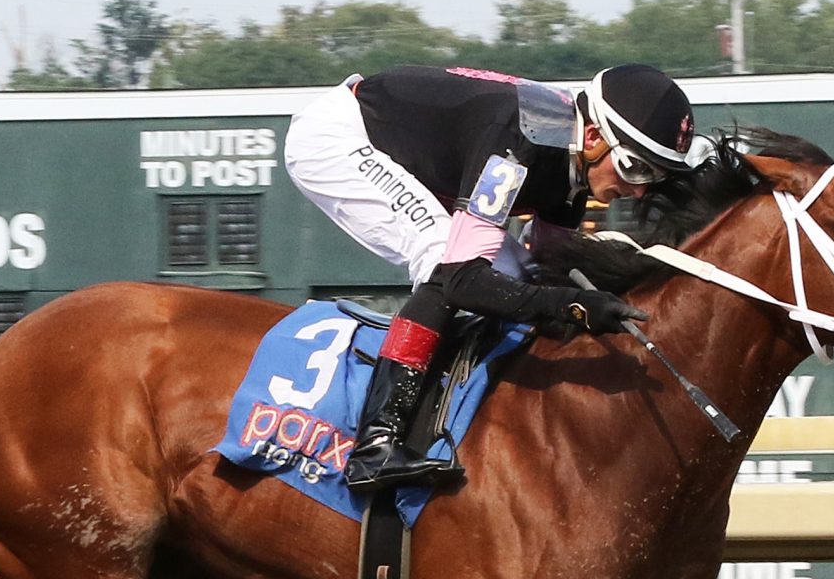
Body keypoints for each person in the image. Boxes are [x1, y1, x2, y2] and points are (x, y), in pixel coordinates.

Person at [283, 63, 698, 491]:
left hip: (411, 155)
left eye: (655, 177)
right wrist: (573, 307)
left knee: (517, 278)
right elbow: (463, 279)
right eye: (634, 169)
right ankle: (376, 442)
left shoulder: (571, 162)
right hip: (335, 138)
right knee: (442, 257)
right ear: (593, 137)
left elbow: (539, 277)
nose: (639, 191)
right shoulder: (519, 146)